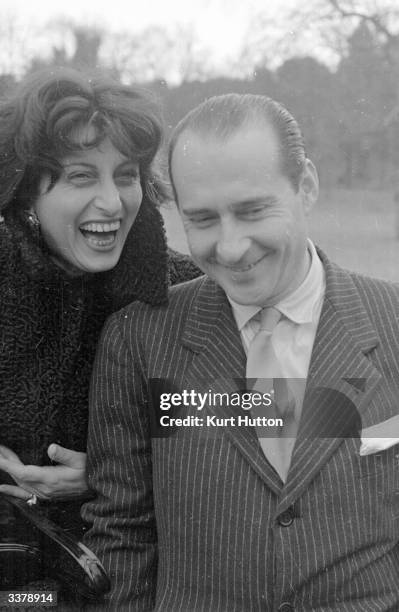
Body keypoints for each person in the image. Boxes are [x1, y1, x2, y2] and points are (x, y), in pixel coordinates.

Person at [82, 94, 399, 610]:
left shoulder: (394, 324)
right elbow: (122, 534)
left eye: (252, 211)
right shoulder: (138, 340)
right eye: (202, 220)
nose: (230, 248)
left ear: (307, 187)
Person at [0, 67, 199, 590]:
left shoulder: (182, 286)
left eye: (127, 174)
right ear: (26, 193)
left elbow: (269, 412)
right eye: (81, 177)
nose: (112, 202)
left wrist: (114, 473)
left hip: (135, 577)